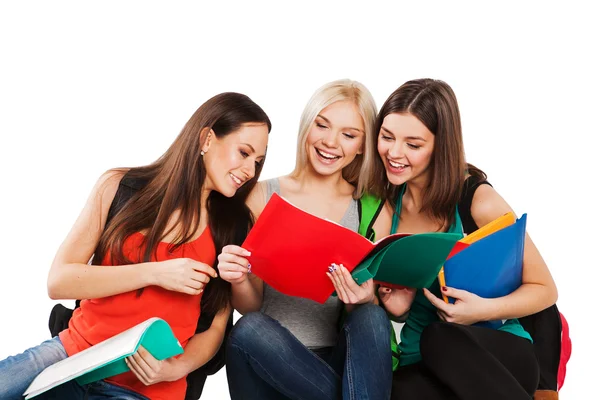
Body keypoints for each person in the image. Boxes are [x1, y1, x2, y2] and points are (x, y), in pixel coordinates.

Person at [0, 92, 271, 400]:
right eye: (244, 153)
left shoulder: (233, 225)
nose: (250, 171)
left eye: (258, 161)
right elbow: (58, 281)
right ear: (207, 139)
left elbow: (216, 328)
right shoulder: (118, 187)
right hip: (72, 355)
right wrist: (155, 273)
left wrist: (177, 367)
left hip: (148, 387)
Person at [368, 78, 558, 400]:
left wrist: (479, 311)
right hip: (423, 360)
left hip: (497, 352)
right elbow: (399, 303)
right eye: (387, 137)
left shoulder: (478, 202)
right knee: (395, 391)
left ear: (440, 146)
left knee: (439, 337)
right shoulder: (386, 206)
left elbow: (546, 291)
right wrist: (396, 308)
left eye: (413, 145)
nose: (394, 153)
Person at [218, 79, 392, 400]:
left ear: (363, 146)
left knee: (372, 315)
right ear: (306, 127)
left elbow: (370, 332)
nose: (330, 142)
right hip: (264, 358)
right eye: (321, 125)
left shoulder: (371, 211)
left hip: (333, 361)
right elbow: (249, 306)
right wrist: (239, 278)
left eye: (349, 135)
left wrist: (363, 299)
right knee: (250, 328)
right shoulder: (259, 195)